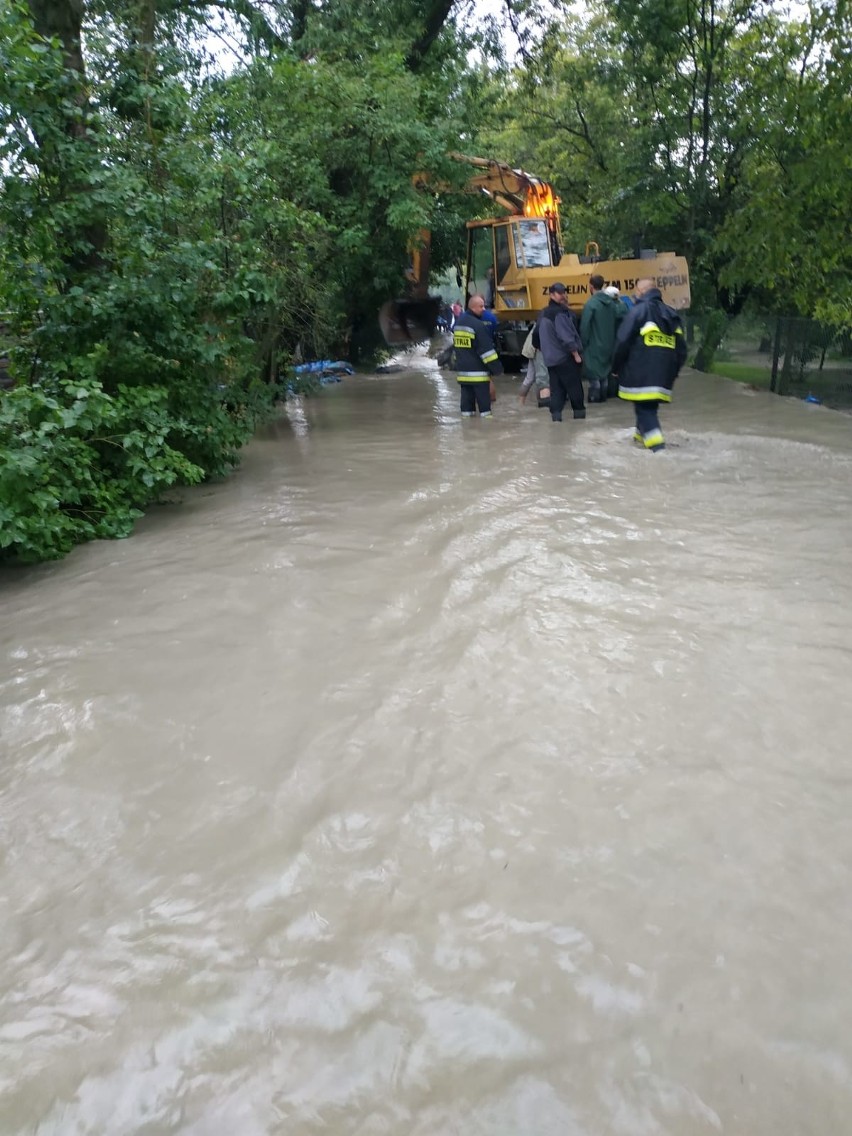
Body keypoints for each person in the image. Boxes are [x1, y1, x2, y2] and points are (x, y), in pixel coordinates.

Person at [613, 277, 687, 452]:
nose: (635, 295)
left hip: (641, 373)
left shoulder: (638, 311)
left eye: (636, 291)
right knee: (647, 407)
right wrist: (673, 372)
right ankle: (639, 440)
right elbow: (682, 350)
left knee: (645, 410)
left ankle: (658, 451)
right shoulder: (671, 314)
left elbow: (622, 341)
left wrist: (615, 368)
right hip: (664, 375)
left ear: (641, 292)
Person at [535, 282, 585, 421]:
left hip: (550, 360)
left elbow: (536, 334)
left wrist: (541, 348)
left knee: (557, 391)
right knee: (575, 389)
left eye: (564, 292)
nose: (563, 295)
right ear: (551, 294)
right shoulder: (560, 314)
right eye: (560, 293)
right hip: (565, 358)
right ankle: (580, 419)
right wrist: (575, 354)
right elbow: (566, 337)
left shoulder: (543, 312)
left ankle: (556, 420)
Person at [452, 293, 503, 417]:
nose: (484, 309)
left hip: (463, 375)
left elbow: (457, 349)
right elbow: (487, 353)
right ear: (473, 307)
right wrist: (497, 369)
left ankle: (467, 433)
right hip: (479, 376)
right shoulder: (478, 325)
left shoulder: (459, 323)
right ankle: (486, 434)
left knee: (466, 412)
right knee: (485, 413)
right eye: (481, 307)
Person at [580, 274, 624, 403]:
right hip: (609, 344)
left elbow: (585, 327)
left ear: (591, 286)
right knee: (604, 374)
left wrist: (582, 344)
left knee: (594, 376)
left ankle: (594, 399)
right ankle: (603, 398)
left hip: (594, 346)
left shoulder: (591, 304)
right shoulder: (612, 303)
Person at [518, 327, 550, 409]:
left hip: (532, 347)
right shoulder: (547, 320)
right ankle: (544, 409)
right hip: (539, 347)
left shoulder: (541, 320)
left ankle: (520, 404)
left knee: (530, 378)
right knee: (543, 380)